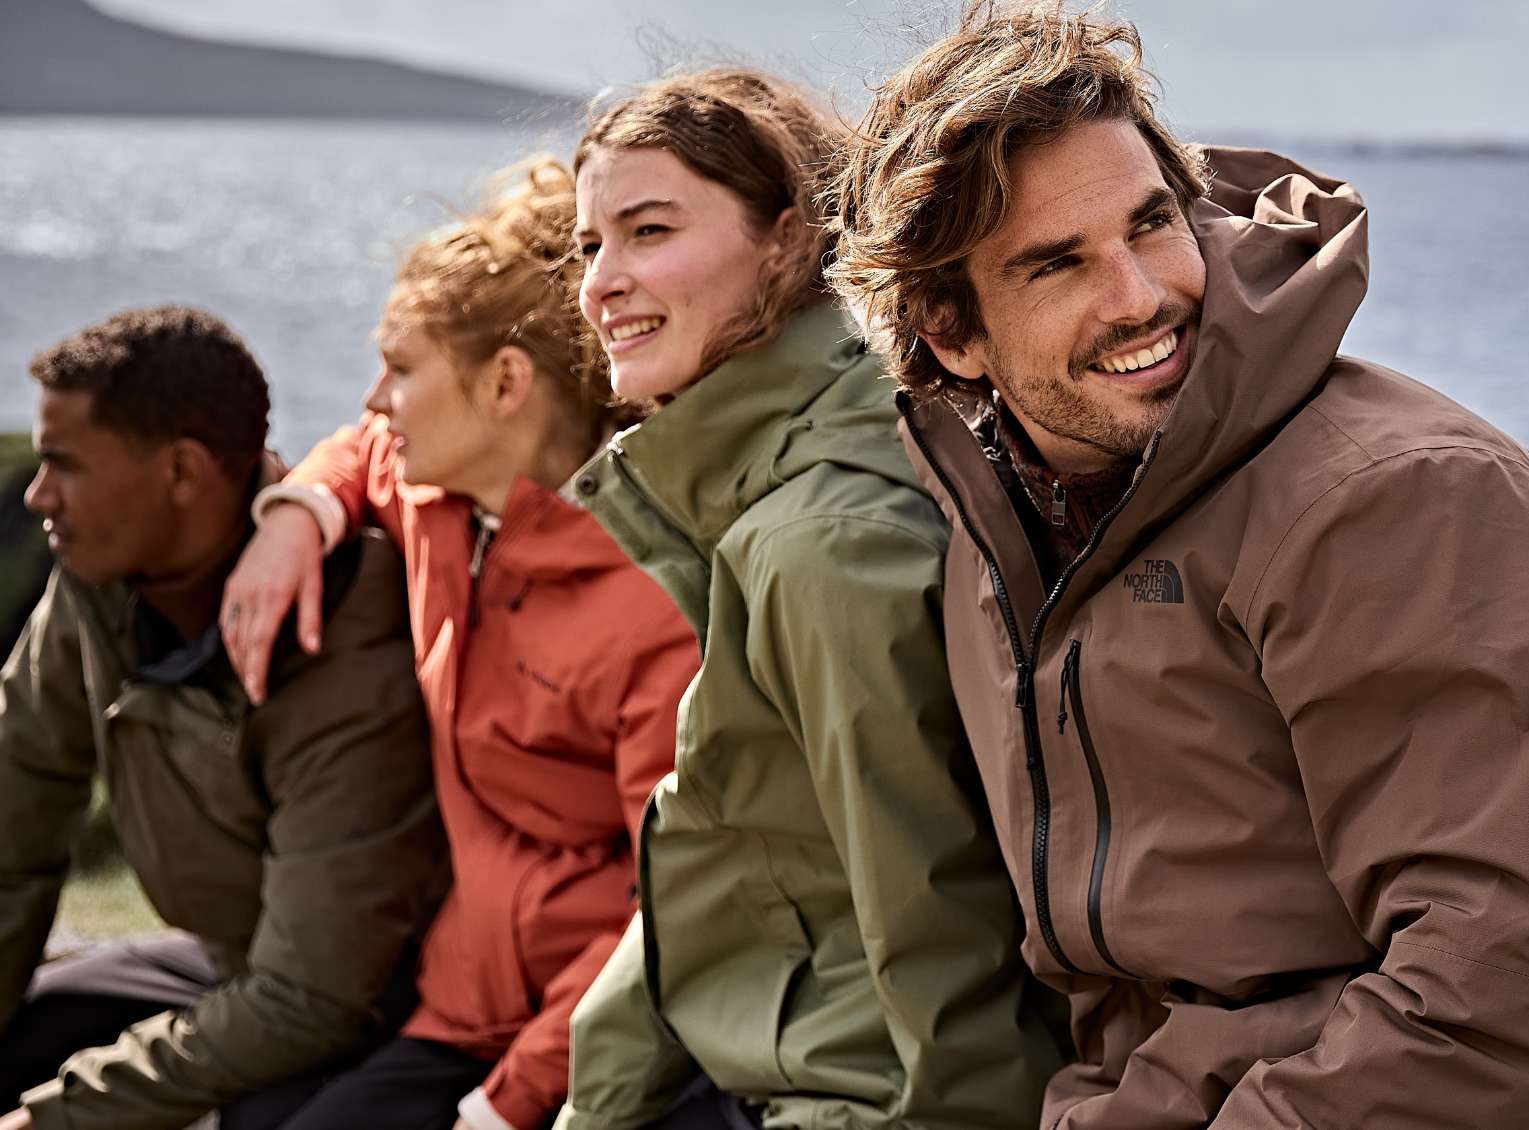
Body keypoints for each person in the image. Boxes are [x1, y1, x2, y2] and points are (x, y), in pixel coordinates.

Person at [829, 4, 1529, 1125]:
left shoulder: (1404, 499)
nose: (1141, 295)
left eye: (1151, 223)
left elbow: (1496, 1011)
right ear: (953, 335)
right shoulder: (1007, 524)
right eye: (1057, 265)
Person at [551, 68, 1065, 1130]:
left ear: (788, 238)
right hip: (774, 1063)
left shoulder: (821, 540)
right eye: (589, 245)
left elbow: (941, 915)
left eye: (648, 231)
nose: (602, 281)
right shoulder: (804, 471)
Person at [213, 158, 705, 1130]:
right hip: (459, 1003)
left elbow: (673, 903)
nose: (375, 399)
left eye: (400, 368)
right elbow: (359, 452)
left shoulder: (655, 592)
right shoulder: (440, 499)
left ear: (507, 383)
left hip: (606, 1044)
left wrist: (509, 1102)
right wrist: (300, 511)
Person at [0, 306, 447, 1130]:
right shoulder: (99, 582)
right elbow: (12, 830)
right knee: (25, 1033)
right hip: (236, 960)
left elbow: (314, 998)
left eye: (65, 464)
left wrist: (56, 1119)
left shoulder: (346, 636)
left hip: (380, 1000)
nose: (37, 495)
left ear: (181, 472)